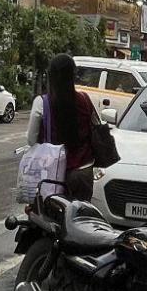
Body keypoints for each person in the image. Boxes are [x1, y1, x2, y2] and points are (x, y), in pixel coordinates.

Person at [26, 51, 99, 200]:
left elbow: (31, 140)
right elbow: (96, 127)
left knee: (49, 213)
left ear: (51, 76)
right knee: (80, 213)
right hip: (82, 172)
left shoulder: (42, 103)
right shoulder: (85, 99)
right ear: (73, 75)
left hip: (52, 175)